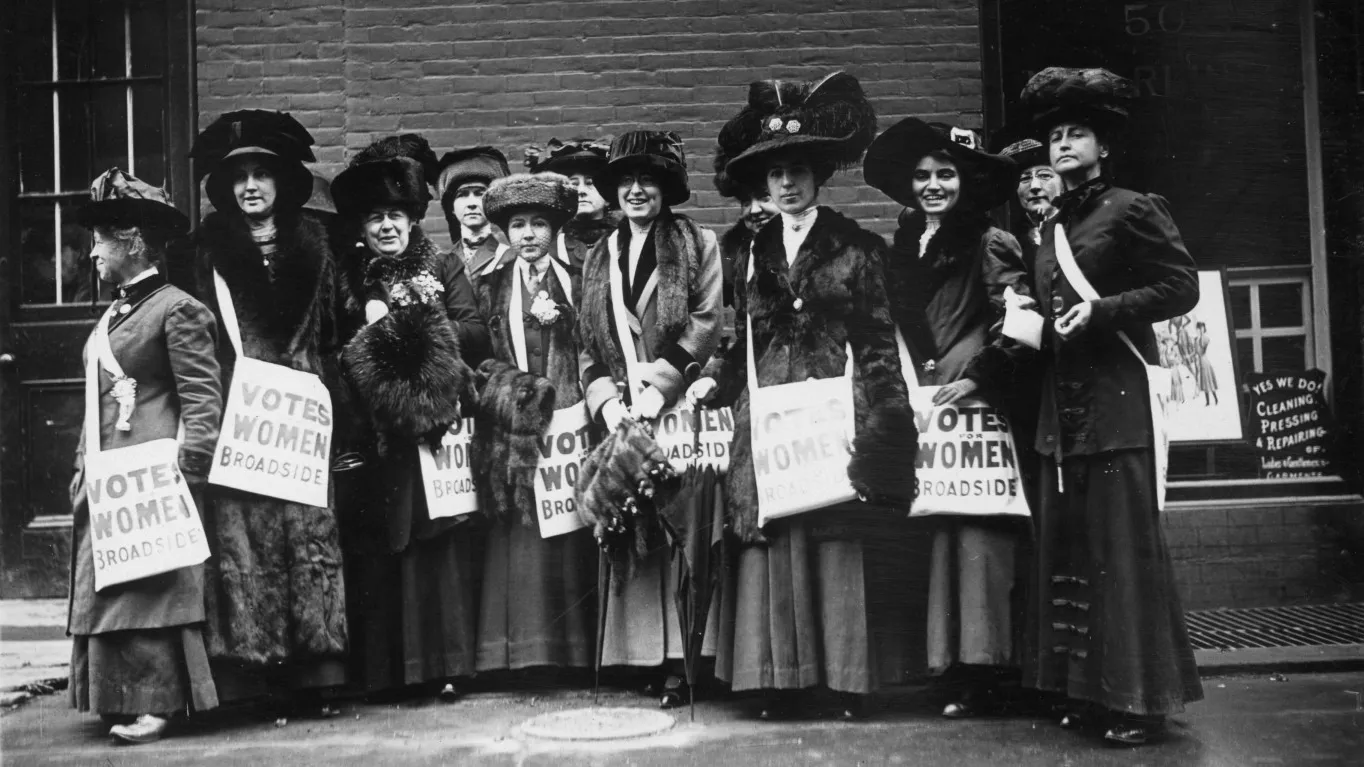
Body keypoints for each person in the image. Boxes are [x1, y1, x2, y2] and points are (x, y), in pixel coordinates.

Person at [691, 72, 918, 720]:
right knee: (773, 537)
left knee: (833, 537)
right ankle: (779, 678)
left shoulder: (857, 248)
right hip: (769, 421)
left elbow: (876, 342)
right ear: (762, 183)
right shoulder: (749, 254)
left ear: (819, 174)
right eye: (776, 174)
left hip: (833, 414)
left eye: (799, 171)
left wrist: (883, 426)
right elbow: (742, 341)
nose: (787, 183)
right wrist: (715, 378)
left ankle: (842, 681)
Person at [1017, 66, 1203, 745]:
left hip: (1116, 400)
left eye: (1078, 133)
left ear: (1103, 144)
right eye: (1056, 135)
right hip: (1060, 412)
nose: (1064, 144)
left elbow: (1180, 286)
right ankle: (1092, 693)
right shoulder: (1049, 226)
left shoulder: (1131, 208)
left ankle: (1138, 701)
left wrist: (1103, 311)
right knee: (1076, 551)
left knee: (1121, 554)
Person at [862, 118, 1032, 717]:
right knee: (937, 531)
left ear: (964, 180)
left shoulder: (989, 241)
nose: (933, 185)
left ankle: (986, 673)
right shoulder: (904, 244)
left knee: (978, 533)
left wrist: (979, 375)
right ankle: (947, 664)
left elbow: (1021, 323)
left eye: (945, 175)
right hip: (927, 400)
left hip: (975, 401)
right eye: (922, 176)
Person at [187, 110, 349, 711]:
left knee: (311, 539)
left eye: (262, 173)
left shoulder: (318, 245)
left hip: (304, 415)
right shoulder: (206, 252)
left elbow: (335, 331)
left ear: (281, 181)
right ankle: (253, 676)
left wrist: (328, 394)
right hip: (243, 416)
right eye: (239, 177)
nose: (251, 186)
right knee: (245, 544)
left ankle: (320, 673)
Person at [67, 168, 222, 744]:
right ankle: (116, 699)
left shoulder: (177, 309)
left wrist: (187, 471)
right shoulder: (114, 314)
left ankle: (159, 704)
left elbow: (203, 399)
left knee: (154, 591)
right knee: (114, 589)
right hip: (109, 477)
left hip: (153, 478)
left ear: (132, 241)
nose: (93, 254)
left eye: (100, 241)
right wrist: (84, 467)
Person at [332, 143, 489, 699]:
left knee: (436, 542)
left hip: (435, 423)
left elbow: (475, 332)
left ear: (412, 219)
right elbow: (335, 347)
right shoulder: (349, 275)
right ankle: (384, 676)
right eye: (375, 218)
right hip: (372, 432)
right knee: (380, 546)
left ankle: (444, 666)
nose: (386, 226)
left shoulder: (442, 265)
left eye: (396, 215)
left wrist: (413, 321)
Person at [576, 129, 723, 707]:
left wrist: (659, 388)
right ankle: (638, 655)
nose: (637, 191)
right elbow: (587, 341)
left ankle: (680, 660)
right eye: (627, 182)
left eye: (649, 181)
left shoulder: (697, 242)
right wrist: (607, 401)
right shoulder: (598, 255)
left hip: (679, 402)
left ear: (667, 189)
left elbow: (706, 320)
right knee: (631, 524)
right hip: (622, 410)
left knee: (677, 523)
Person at [469, 172, 597, 675]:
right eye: (518, 225)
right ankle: (523, 652)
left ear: (555, 227)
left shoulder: (580, 276)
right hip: (517, 422)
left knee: (571, 526)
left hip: (572, 413)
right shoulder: (492, 282)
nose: (527, 235)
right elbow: (479, 355)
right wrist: (513, 394)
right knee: (522, 531)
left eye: (538, 224)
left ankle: (576, 653)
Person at [525, 137, 620, 269]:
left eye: (590, 183)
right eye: (573, 184)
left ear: (608, 197)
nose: (581, 191)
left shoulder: (623, 243)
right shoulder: (550, 249)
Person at [436, 146, 512, 275]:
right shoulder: (442, 264)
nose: (471, 204)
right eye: (462, 195)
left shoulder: (509, 258)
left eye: (479, 194)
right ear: (452, 208)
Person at [997, 136, 1063, 273]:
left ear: (1063, 183)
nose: (1034, 186)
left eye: (1045, 175)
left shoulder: (1079, 229)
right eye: (1025, 178)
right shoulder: (1010, 245)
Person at [1194, 321, 1219, 405]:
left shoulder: (1205, 338)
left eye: (1202, 328)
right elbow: (1196, 351)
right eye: (1198, 328)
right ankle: (1208, 401)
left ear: (1204, 329)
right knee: (1204, 382)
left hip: (1204, 361)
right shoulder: (1196, 339)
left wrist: (1201, 350)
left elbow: (1204, 350)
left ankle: (1215, 399)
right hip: (1199, 361)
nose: (1200, 330)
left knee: (1208, 380)